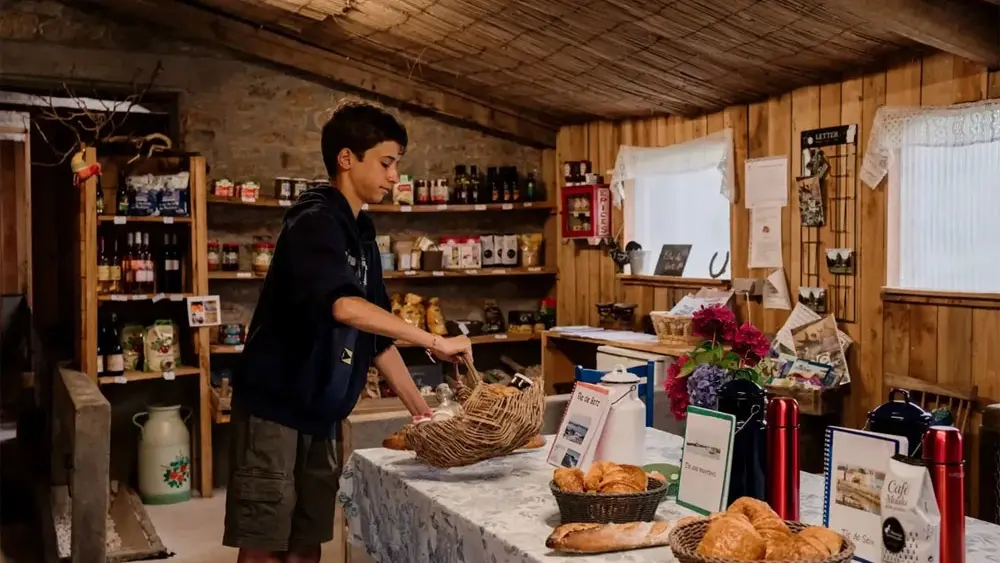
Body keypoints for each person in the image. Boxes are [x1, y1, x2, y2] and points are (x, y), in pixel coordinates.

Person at [223, 99, 473, 563]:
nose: (394, 176)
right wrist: (435, 341)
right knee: (264, 546)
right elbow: (345, 307)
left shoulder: (362, 234)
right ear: (346, 158)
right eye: (386, 162)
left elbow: (375, 337)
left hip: (321, 413)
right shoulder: (314, 221)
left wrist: (424, 415)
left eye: (396, 164)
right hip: (276, 408)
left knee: (308, 543)